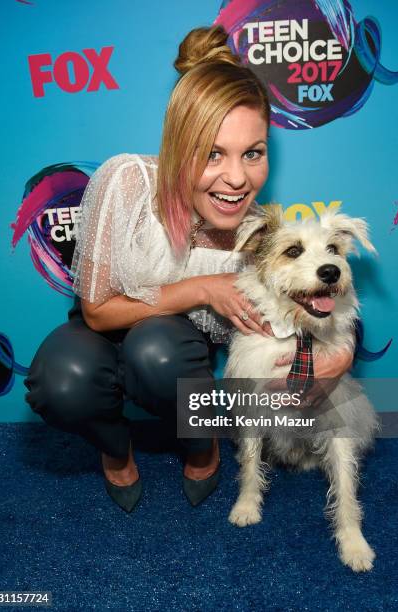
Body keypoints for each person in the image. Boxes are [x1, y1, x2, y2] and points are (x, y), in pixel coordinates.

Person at [24, 25, 353, 513]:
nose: (237, 178)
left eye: (253, 153)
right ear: (179, 144)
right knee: (59, 381)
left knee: (159, 352)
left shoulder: (259, 235)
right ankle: (116, 450)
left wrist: (340, 352)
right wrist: (202, 287)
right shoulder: (127, 182)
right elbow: (96, 312)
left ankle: (203, 447)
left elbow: (315, 295)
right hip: (104, 324)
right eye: (212, 153)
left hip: (170, 354)